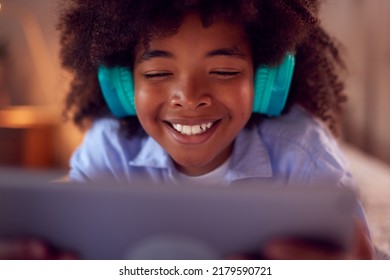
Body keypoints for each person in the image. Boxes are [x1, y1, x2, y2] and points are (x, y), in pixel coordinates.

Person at [0, 0, 374, 259]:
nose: (190, 98)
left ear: (266, 81)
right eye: (158, 73)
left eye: (225, 71)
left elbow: (357, 255)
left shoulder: (305, 157)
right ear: (124, 87)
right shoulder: (108, 149)